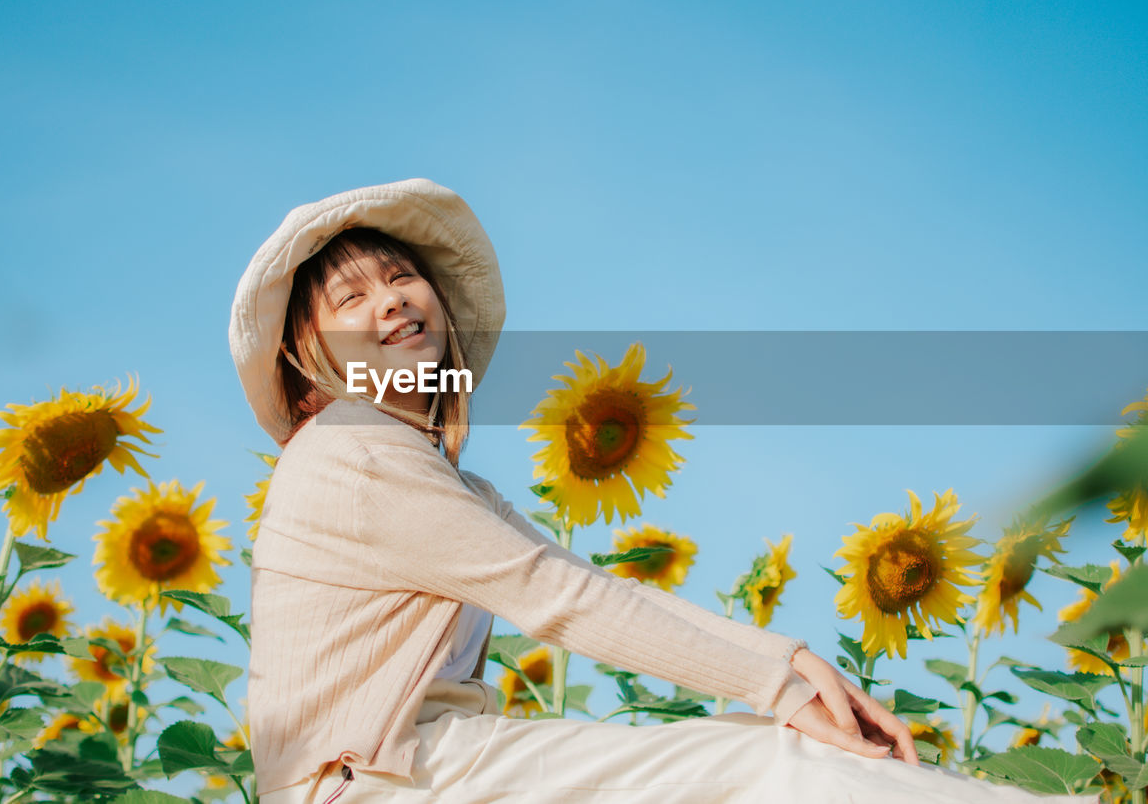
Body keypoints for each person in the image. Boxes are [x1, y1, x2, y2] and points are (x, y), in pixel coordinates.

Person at [228, 179, 1096, 803]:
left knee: (755, 754)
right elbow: (562, 598)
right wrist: (782, 675)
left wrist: (785, 669)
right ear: (311, 357)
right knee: (772, 770)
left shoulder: (430, 474)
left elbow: (569, 575)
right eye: (350, 295)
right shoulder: (353, 451)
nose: (388, 300)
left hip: (414, 770)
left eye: (399, 277)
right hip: (373, 782)